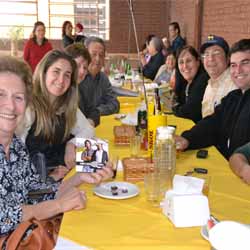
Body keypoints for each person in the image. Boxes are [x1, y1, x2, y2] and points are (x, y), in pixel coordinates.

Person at [0, 55, 113, 236]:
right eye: (1, 94)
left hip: (28, 235)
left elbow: (35, 192)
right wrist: (57, 205)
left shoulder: (15, 148)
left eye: (18, 97)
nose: (10, 106)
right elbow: (3, 216)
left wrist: (81, 177)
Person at [16, 50, 95, 182]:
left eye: (67, 75)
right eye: (56, 72)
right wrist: (48, 178)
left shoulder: (67, 107)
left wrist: (72, 144)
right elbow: (15, 157)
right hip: (35, 187)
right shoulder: (28, 107)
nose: (61, 80)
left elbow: (89, 130)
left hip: (61, 177)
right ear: (44, 72)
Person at [175, 39, 250, 160]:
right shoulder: (234, 97)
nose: (238, 70)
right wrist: (187, 139)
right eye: (234, 65)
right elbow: (214, 122)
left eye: (245, 63)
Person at [80, 36, 120, 116]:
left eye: (101, 55)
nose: (98, 59)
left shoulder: (103, 78)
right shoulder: (78, 78)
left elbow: (115, 104)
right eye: (93, 54)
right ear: (85, 56)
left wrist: (97, 111)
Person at [201, 34, 237, 118]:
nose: (210, 58)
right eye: (206, 54)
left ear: (228, 58)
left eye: (216, 53)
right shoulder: (210, 84)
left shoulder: (235, 85)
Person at [64, 43, 100, 127]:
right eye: (77, 65)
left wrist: (90, 121)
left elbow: (94, 111)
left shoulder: (81, 88)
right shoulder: (60, 90)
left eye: (85, 68)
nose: (82, 71)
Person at [172, 46, 209, 123]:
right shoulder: (184, 82)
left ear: (198, 62)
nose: (185, 66)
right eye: (181, 62)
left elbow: (189, 113)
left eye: (188, 61)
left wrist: (175, 107)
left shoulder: (203, 80)